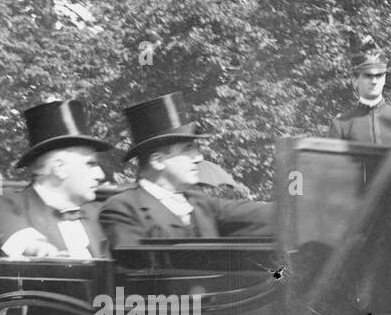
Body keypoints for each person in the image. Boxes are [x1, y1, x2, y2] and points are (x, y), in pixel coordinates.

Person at [98, 92, 271, 251]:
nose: (199, 157)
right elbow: (133, 274)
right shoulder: (123, 208)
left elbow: (258, 215)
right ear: (158, 161)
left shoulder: (200, 202)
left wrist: (295, 208)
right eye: (188, 149)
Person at [0, 99, 111, 257]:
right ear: (59, 168)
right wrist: (32, 245)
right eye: (90, 164)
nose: (100, 175)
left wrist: (120, 286)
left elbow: (122, 282)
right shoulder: (10, 208)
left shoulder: (101, 214)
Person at [327, 50, 391, 146]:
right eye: (368, 76)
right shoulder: (341, 125)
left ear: (384, 79)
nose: (374, 81)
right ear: (355, 81)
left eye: (379, 75)